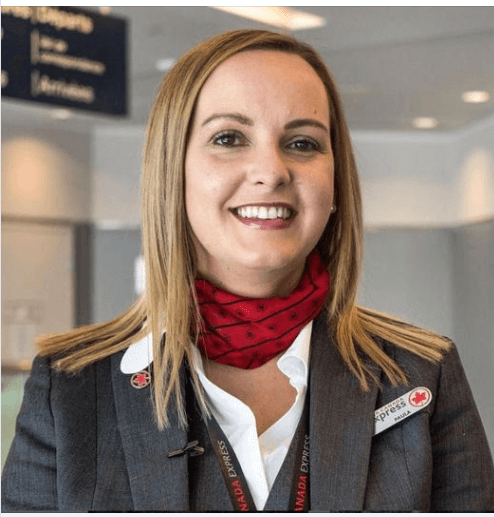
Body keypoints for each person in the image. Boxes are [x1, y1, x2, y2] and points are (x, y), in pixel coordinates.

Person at [2, 29, 493, 512]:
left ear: (335, 182)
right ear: (172, 172)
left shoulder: (422, 374)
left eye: (302, 143)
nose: (271, 171)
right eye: (229, 138)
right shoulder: (70, 388)